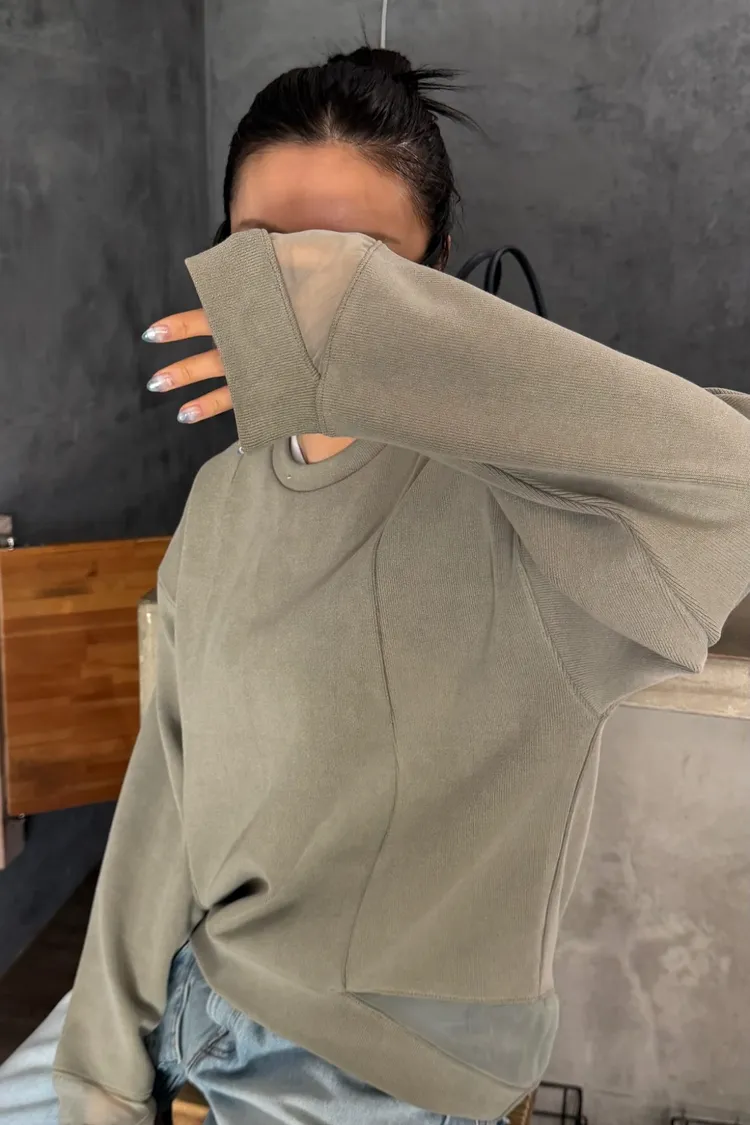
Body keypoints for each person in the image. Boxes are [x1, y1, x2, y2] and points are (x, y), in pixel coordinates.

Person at [9, 45, 750, 1125]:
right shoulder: (222, 494)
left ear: (433, 276)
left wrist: (384, 342)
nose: (295, 302)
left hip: (380, 1070)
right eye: (263, 261)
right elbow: (170, 779)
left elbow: (734, 491)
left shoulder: (535, 515)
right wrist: (99, 1067)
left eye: (353, 273)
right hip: (191, 994)